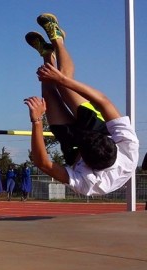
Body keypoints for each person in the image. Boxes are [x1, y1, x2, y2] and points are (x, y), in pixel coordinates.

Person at [24, 13, 139, 196]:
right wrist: (61, 79)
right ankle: (58, 40)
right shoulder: (128, 148)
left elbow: (43, 163)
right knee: (63, 82)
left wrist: (37, 120)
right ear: (114, 144)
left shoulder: (87, 183)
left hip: (75, 149)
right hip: (98, 129)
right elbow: (103, 101)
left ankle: (47, 54)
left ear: (84, 159)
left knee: (49, 94)